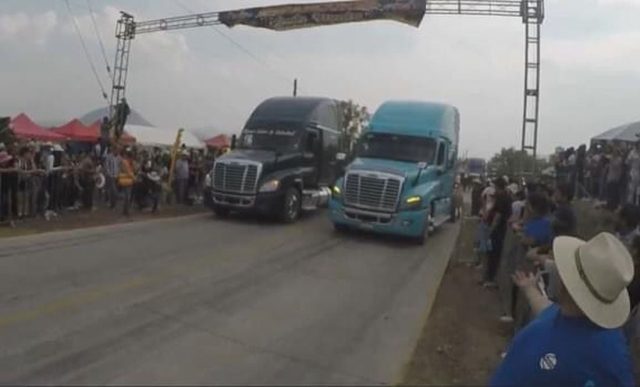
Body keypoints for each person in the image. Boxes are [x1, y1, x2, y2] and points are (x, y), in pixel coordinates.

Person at [491, 233, 635, 386]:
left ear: (565, 284)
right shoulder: (615, 348)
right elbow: (547, 310)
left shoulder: (535, 343)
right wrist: (529, 289)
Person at [483, 177, 511, 288]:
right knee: (491, 254)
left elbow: (498, 216)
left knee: (494, 255)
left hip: (497, 230)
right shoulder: (504, 196)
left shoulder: (502, 197)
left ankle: (491, 279)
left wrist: (490, 230)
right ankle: (488, 277)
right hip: (498, 229)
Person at [0, 148, 18, 227]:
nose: (5, 162)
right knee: (2, 201)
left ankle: (7, 218)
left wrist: (11, 169)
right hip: (2, 186)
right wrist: (8, 170)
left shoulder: (10, 164)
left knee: (7, 201)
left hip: (6, 186)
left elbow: (16, 168)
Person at [118, 148, 135, 216]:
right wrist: (134, 177)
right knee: (127, 196)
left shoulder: (128, 162)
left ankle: (125, 210)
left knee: (127, 196)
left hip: (128, 180)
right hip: (126, 180)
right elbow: (128, 172)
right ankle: (126, 211)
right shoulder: (125, 162)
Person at [626, 140, 640, 206]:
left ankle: (637, 205)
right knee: (631, 190)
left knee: (638, 191)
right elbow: (627, 163)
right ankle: (630, 205)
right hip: (633, 171)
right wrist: (629, 172)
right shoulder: (632, 153)